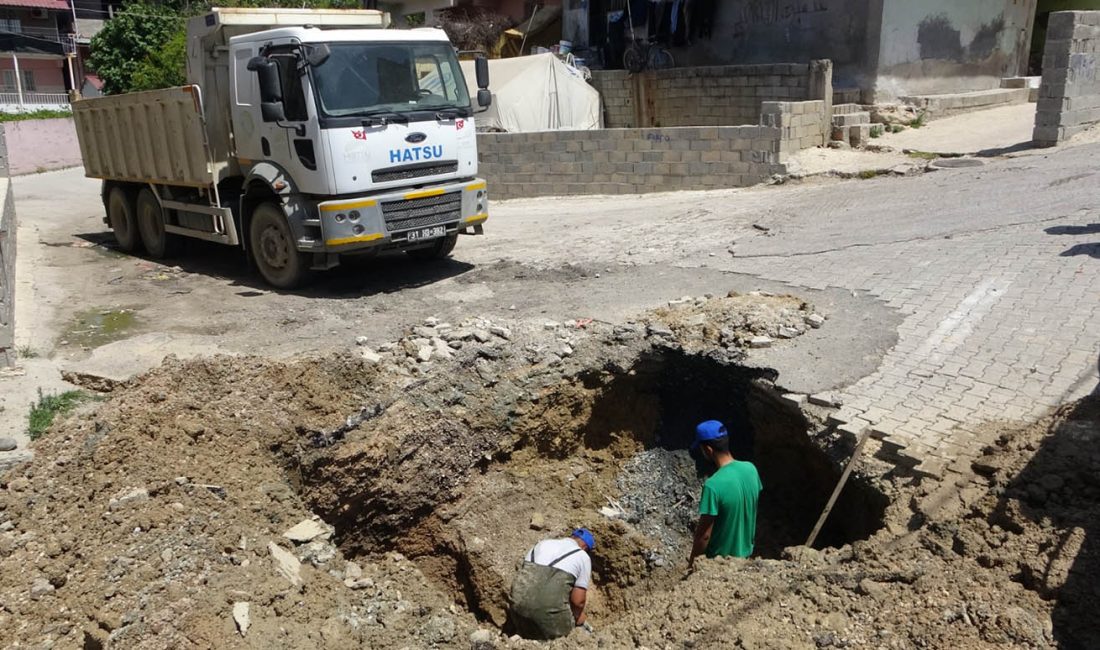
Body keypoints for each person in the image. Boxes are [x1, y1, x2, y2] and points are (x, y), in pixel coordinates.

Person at [689, 420, 762, 567]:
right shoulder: (751, 469)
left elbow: (704, 536)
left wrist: (692, 564)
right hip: (745, 557)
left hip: (720, 563)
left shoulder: (713, 485)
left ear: (708, 450)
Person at [508, 528, 596, 640]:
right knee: (578, 634)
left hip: (516, 609)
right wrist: (578, 618)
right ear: (585, 547)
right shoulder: (582, 556)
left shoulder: (541, 544)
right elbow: (578, 601)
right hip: (548, 617)